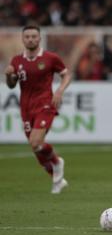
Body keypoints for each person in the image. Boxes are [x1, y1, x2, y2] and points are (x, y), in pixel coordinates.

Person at [4, 25, 71, 194]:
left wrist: (59, 91)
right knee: (36, 149)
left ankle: (57, 162)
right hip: (26, 107)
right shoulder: (16, 61)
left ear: (39, 38)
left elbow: (66, 74)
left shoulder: (50, 58)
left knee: (35, 142)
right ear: (22, 39)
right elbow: (12, 85)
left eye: (34, 36)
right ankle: (58, 180)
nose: (31, 39)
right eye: (27, 37)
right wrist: (8, 75)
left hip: (45, 104)